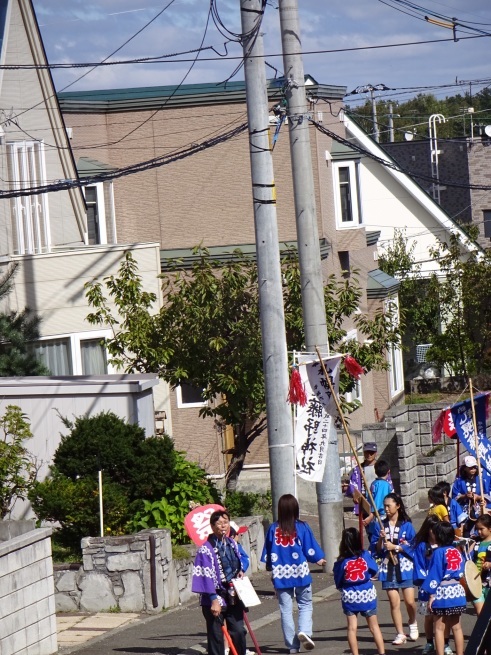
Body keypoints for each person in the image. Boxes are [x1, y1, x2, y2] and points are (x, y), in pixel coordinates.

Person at [261, 494, 326, 654]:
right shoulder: (302, 527)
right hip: (300, 572)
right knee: (305, 604)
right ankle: (304, 631)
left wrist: (271, 568)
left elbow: (268, 555)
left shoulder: (273, 529)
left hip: (281, 574)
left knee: (285, 609)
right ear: (296, 509)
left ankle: (292, 645)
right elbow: (310, 549)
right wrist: (318, 559)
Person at [192, 509, 246, 655]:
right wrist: (213, 599)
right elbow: (205, 576)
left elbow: (239, 565)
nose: (223, 525)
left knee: (239, 631)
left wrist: (240, 572)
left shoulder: (232, 544)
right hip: (216, 596)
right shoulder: (205, 549)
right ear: (212, 526)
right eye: (219, 523)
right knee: (216, 636)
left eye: (226, 522)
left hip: (233, 594)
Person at [370, 492, 418, 646]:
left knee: (410, 601)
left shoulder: (407, 525)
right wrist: (380, 540)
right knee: (393, 602)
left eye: (389, 505)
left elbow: (413, 545)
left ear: (397, 506)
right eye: (384, 506)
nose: (386, 509)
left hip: (405, 565)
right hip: (387, 566)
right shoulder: (379, 525)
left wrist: (396, 546)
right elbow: (375, 549)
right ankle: (400, 632)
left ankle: (412, 621)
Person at [333, 527, 386, 655]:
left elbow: (338, 578)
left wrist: (341, 586)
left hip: (350, 593)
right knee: (374, 626)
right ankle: (382, 652)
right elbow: (374, 569)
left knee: (352, 628)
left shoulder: (341, 562)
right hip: (366, 592)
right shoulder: (365, 555)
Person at [420, 522, 466, 655]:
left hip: (443, 591)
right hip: (457, 590)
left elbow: (435, 574)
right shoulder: (456, 551)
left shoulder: (439, 552)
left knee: (439, 627)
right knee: (456, 627)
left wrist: (431, 595)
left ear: (438, 535)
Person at [412, 515, 455, 655]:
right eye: (433, 529)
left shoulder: (445, 546)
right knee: (429, 616)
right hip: (427, 586)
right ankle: (430, 642)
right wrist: (428, 583)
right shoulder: (421, 546)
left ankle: (446, 642)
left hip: (443, 587)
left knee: (445, 617)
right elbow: (418, 566)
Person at [452, 456, 491, 537]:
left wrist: (479, 497)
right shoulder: (459, 481)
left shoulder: (481, 480)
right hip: (464, 510)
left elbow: (487, 494)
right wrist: (464, 496)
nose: (473, 469)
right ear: (465, 468)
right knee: (465, 529)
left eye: (474, 467)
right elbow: (454, 496)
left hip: (479, 508)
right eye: (470, 467)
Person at [364, 460, 393, 535]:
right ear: (388, 471)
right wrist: (371, 516)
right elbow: (378, 502)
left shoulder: (374, 483)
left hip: (375, 516)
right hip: (380, 518)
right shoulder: (383, 485)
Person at [472, 514, 491, 615]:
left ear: (490, 528)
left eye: (481, 529)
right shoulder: (476, 543)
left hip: (489, 583)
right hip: (476, 583)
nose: (479, 532)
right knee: (481, 614)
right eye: (477, 529)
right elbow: (468, 560)